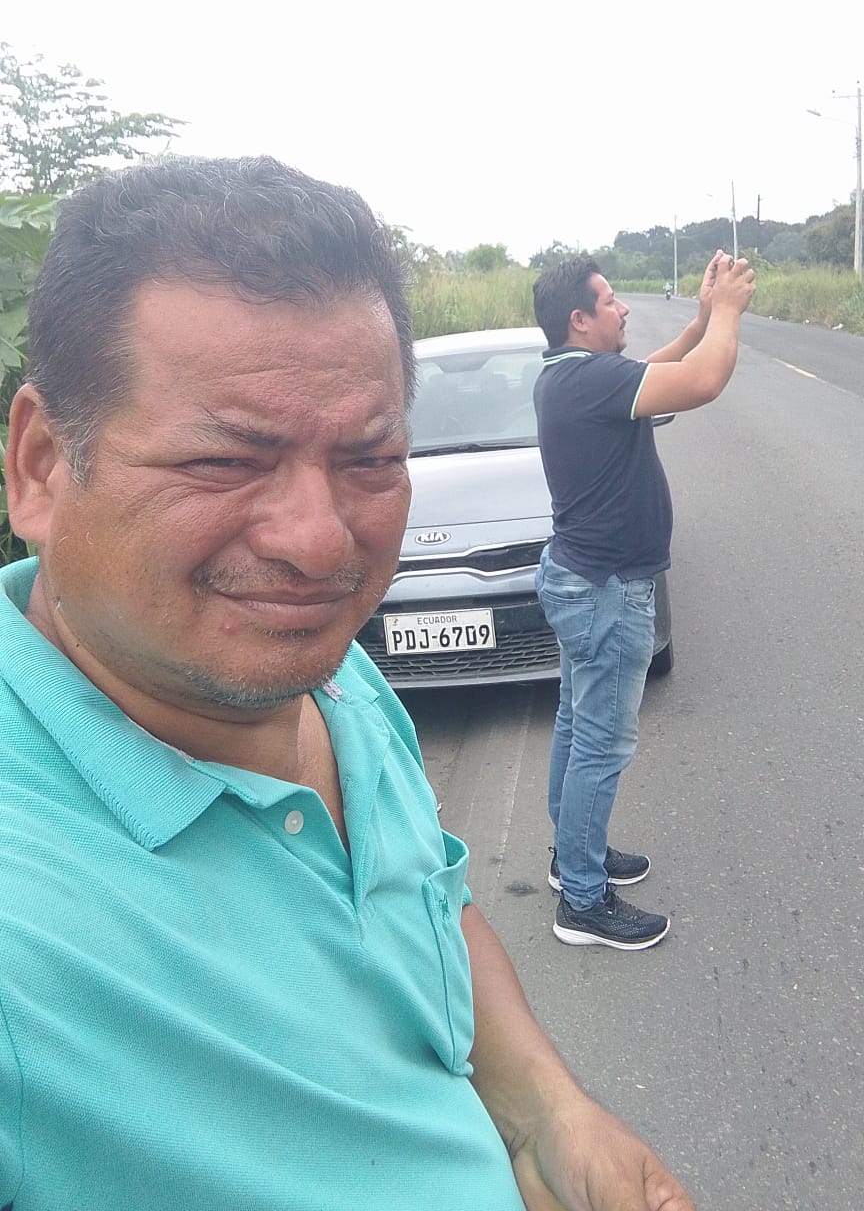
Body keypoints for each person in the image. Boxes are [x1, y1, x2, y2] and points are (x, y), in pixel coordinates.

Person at [0, 157, 694, 1210]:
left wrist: (547, 1111)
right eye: (225, 462)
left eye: (370, 460)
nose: (321, 543)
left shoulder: (333, 685)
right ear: (42, 466)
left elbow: (429, 900)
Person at [532, 249, 755, 952]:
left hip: (582, 579)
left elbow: (657, 369)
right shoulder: (590, 379)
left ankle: (574, 857)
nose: (623, 307)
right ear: (580, 319)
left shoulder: (569, 376)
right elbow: (704, 381)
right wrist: (727, 313)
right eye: (610, 300)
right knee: (600, 742)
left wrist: (698, 322)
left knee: (577, 724)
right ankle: (582, 902)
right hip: (607, 590)